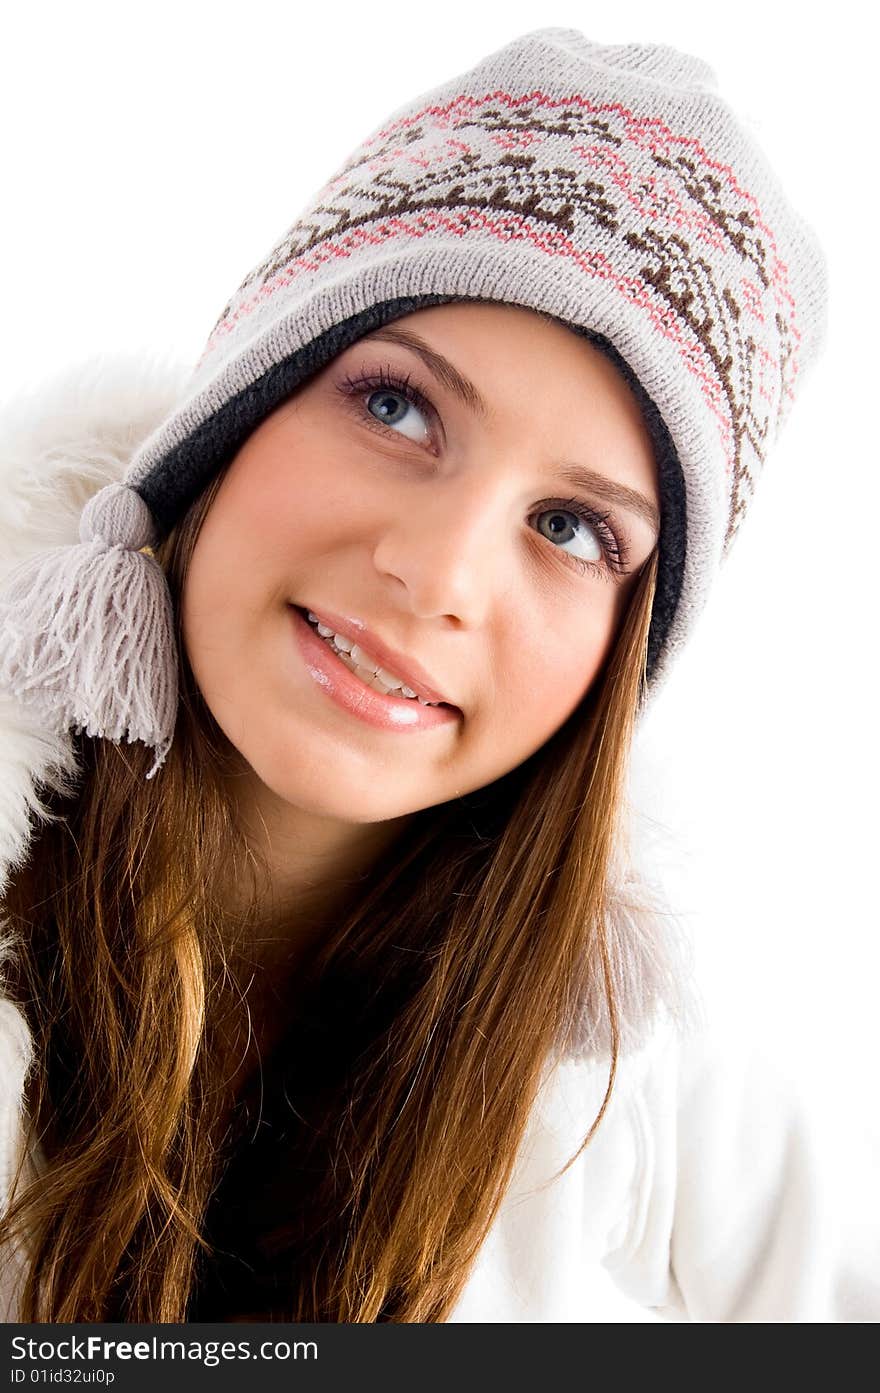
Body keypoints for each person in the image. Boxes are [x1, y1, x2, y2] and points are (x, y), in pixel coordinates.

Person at [0, 26, 875, 1323]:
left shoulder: (657, 1081)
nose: (439, 573)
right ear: (232, 416)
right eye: (397, 406)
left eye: (573, 527)